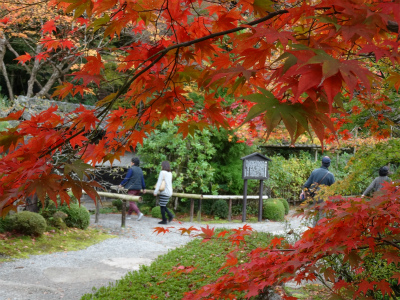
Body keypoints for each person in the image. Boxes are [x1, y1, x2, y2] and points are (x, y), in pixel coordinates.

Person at [302, 156, 335, 225]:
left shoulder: (314, 172)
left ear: (321, 163)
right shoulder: (330, 175)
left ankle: (314, 232)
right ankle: (321, 233)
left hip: (315, 198)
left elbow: (306, 185)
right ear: (329, 164)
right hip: (325, 200)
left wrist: (304, 193)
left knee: (316, 216)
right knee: (323, 217)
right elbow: (334, 190)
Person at [154, 160, 174, 225]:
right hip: (169, 191)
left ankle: (164, 220)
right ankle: (169, 215)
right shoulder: (170, 173)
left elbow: (159, 182)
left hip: (164, 191)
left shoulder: (162, 172)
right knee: (163, 205)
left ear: (163, 166)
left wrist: (155, 191)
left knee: (162, 206)